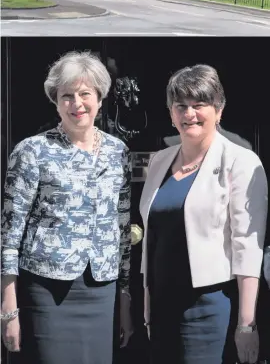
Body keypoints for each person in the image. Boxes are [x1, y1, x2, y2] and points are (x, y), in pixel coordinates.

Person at [1, 51, 133, 364]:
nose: (77, 104)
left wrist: (125, 300)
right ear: (56, 101)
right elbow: (8, 236)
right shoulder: (32, 151)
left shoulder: (118, 152)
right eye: (67, 96)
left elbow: (122, 230)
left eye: (85, 94)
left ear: (100, 98)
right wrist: (8, 311)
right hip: (48, 292)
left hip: (102, 291)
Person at [140, 64, 268, 364]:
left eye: (199, 105)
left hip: (208, 309)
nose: (189, 114)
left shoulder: (241, 161)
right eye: (180, 106)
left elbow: (248, 247)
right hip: (160, 309)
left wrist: (246, 324)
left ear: (218, 110)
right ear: (171, 113)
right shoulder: (159, 161)